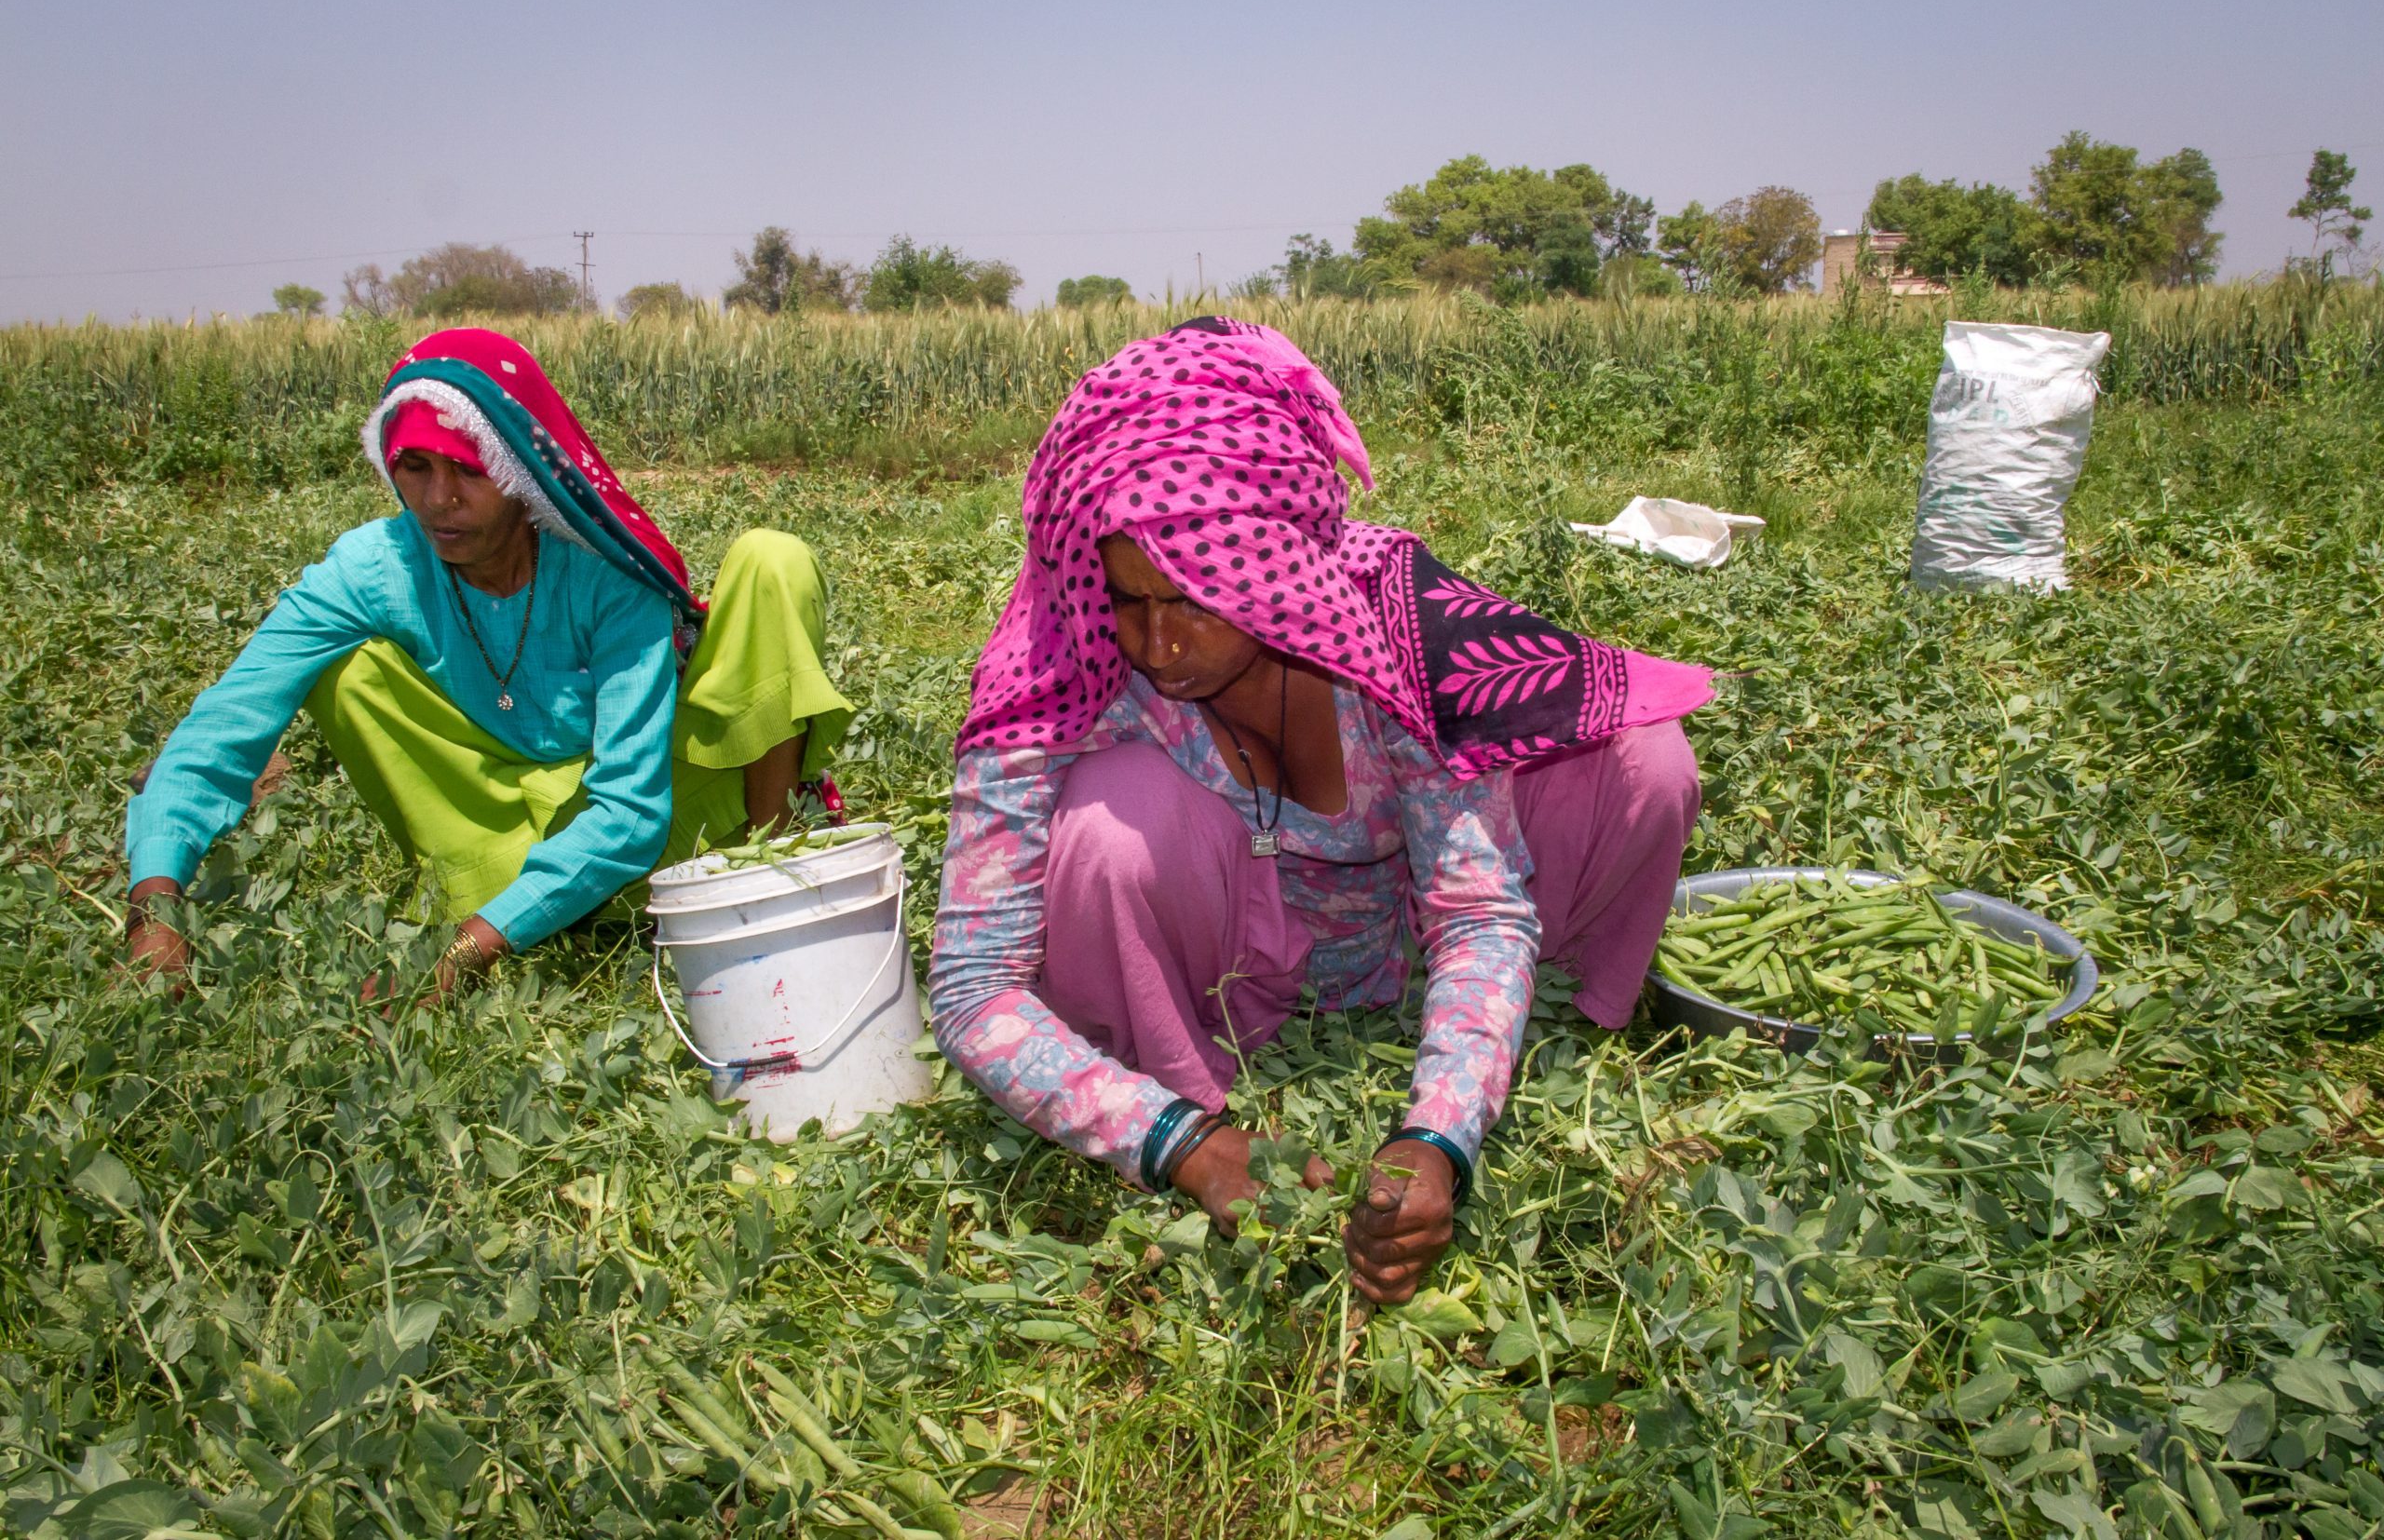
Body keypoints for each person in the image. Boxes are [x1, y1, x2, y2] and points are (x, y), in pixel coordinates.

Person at [928, 317, 1712, 1305]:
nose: (1158, 643)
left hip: (1400, 935)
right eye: (1130, 601)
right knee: (1106, 820)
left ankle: (1550, 1025)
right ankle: (1183, 1075)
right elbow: (970, 987)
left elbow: (1477, 910)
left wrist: (1439, 1135)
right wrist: (1178, 1144)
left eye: (1191, 601)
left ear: (1272, 569)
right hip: (1215, 961)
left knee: (1641, 759)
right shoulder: (1062, 664)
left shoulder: (1390, 631)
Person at [125, 328, 851, 994]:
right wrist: (154, 903)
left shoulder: (603, 572)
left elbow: (630, 810)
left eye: (467, 470)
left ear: (519, 467)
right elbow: (228, 718)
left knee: (771, 560)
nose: (439, 500)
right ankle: (510, 899)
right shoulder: (376, 568)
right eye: (414, 466)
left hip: (668, 821)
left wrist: (462, 954)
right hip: (501, 836)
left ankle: (765, 868)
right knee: (343, 666)